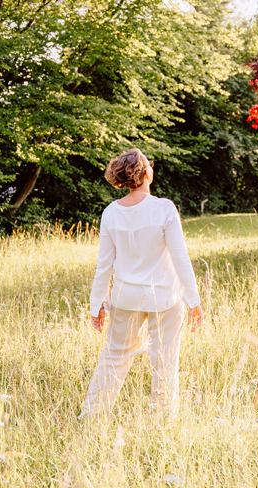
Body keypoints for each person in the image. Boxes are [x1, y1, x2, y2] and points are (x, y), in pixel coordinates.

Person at [81, 148, 204, 419]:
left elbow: (104, 264)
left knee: (115, 357)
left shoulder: (110, 213)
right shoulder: (164, 208)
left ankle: (91, 415)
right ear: (147, 174)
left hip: (125, 297)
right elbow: (180, 257)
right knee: (165, 358)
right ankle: (163, 417)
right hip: (164, 299)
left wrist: (96, 304)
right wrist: (193, 301)